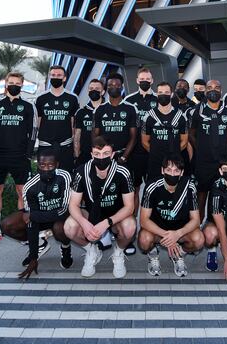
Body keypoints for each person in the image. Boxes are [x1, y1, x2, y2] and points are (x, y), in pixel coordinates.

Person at [64, 136, 136, 278]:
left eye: (105, 154)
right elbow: (73, 204)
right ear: (91, 154)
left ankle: (118, 253)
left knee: (130, 227)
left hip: (115, 216)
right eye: (97, 154)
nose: (101, 157)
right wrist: (84, 224)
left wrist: (107, 223)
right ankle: (91, 250)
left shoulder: (123, 172)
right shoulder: (81, 171)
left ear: (113, 154)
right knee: (69, 227)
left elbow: (129, 207)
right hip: (91, 214)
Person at [0, 71, 38, 247]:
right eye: (11, 82)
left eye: (17, 83)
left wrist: (28, 154)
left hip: (19, 157)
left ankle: (22, 230)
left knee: (22, 193)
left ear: (22, 85)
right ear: (6, 84)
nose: (14, 85)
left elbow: (33, 132)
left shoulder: (28, 107)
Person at [139, 155, 204, 277]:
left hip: (180, 231)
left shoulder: (189, 187)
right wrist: (168, 237)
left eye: (176, 171)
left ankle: (179, 254)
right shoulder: (152, 186)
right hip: (158, 231)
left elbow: (196, 220)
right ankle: (153, 254)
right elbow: (143, 220)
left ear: (182, 172)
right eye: (169, 170)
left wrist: (177, 234)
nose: (172, 174)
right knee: (144, 240)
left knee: (199, 239)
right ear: (162, 170)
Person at [16, 148, 73, 279]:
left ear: (57, 165)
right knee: (8, 225)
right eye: (42, 165)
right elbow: (30, 222)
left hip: (59, 218)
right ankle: (40, 245)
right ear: (38, 165)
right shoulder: (30, 186)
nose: (46, 169)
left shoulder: (64, 176)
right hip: (41, 218)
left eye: (50, 165)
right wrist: (33, 257)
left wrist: (33, 216)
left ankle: (66, 248)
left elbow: (64, 211)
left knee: (60, 228)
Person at [122, 67, 158, 254]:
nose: (145, 81)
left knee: (153, 192)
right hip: (135, 155)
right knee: (134, 192)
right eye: (141, 78)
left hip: (154, 154)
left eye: (148, 78)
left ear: (152, 80)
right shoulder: (129, 101)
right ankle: (130, 232)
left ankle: (152, 231)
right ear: (137, 80)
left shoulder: (158, 99)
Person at [189, 79, 227, 221]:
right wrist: (202, 147)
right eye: (209, 88)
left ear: (221, 91)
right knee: (201, 195)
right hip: (203, 162)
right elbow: (191, 133)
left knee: (221, 195)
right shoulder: (196, 111)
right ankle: (197, 225)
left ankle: (215, 225)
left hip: (223, 162)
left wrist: (220, 146)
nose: (213, 90)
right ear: (205, 91)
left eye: (216, 87)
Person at [35, 65, 79, 173]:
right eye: (53, 75)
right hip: (45, 145)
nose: (56, 77)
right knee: (44, 177)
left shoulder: (72, 98)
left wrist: (74, 145)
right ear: (49, 76)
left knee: (66, 176)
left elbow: (73, 123)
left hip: (65, 145)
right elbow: (38, 122)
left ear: (64, 78)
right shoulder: (41, 98)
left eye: (59, 75)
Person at [142, 82, 188, 183]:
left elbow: (184, 141)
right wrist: (156, 153)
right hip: (155, 162)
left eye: (166, 92)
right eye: (160, 92)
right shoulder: (148, 116)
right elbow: (145, 142)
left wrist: (173, 153)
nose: (163, 95)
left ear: (171, 94)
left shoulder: (181, 116)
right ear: (157, 94)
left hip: (174, 163)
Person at [73, 78, 104, 167]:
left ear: (102, 91)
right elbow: (77, 135)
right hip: (85, 155)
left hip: (104, 154)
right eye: (91, 89)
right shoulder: (81, 112)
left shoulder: (108, 109)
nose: (93, 91)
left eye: (97, 89)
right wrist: (77, 154)